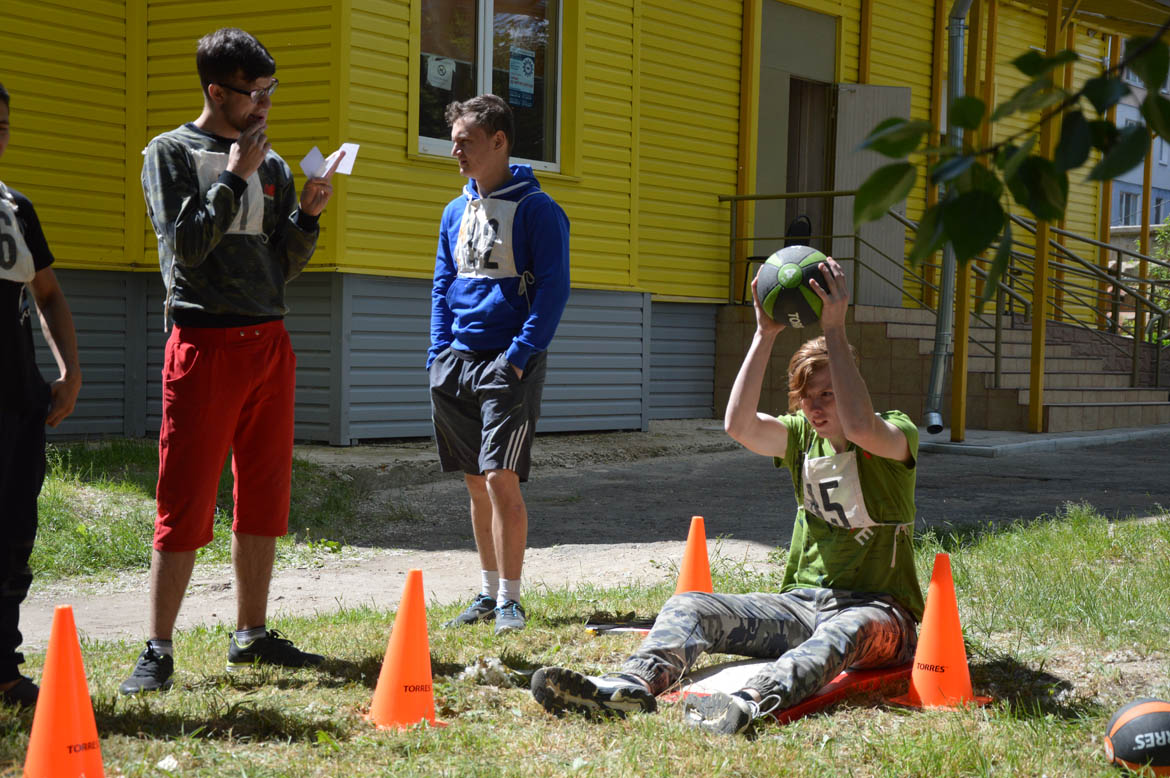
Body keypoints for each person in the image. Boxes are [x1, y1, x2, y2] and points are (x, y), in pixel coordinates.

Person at [530, 257, 922, 735]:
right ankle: (630, 686)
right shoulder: (801, 437)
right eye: (807, 398)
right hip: (804, 604)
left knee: (842, 632)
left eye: (828, 393)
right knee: (692, 604)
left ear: (850, 386)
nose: (816, 407)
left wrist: (835, 329)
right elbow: (738, 426)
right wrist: (763, 334)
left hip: (881, 614)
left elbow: (860, 425)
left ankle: (750, 701)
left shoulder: (895, 432)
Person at [119, 28, 342, 694]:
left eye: (272, 92)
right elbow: (185, 246)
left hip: (268, 343)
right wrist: (233, 178)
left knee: (266, 492)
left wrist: (305, 217)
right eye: (255, 93)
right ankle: (157, 648)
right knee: (184, 497)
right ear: (217, 91)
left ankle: (251, 635)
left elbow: (279, 269)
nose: (265, 106)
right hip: (204, 344)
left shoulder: (271, 164)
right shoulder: (170, 153)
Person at [428, 94, 570, 635]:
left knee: (500, 478)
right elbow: (443, 284)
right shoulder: (454, 210)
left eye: (465, 141)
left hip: (509, 362)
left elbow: (555, 290)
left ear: (499, 141)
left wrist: (517, 358)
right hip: (456, 363)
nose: (456, 151)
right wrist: (438, 353)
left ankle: (511, 599)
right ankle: (487, 594)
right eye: (453, 141)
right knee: (473, 483)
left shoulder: (537, 209)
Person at [0, 82, 82, 708]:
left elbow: (48, 294)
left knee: (12, 539)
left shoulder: (15, 207)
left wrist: (68, 371)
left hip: (18, 401)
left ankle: (2, 666)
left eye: (3, 125)